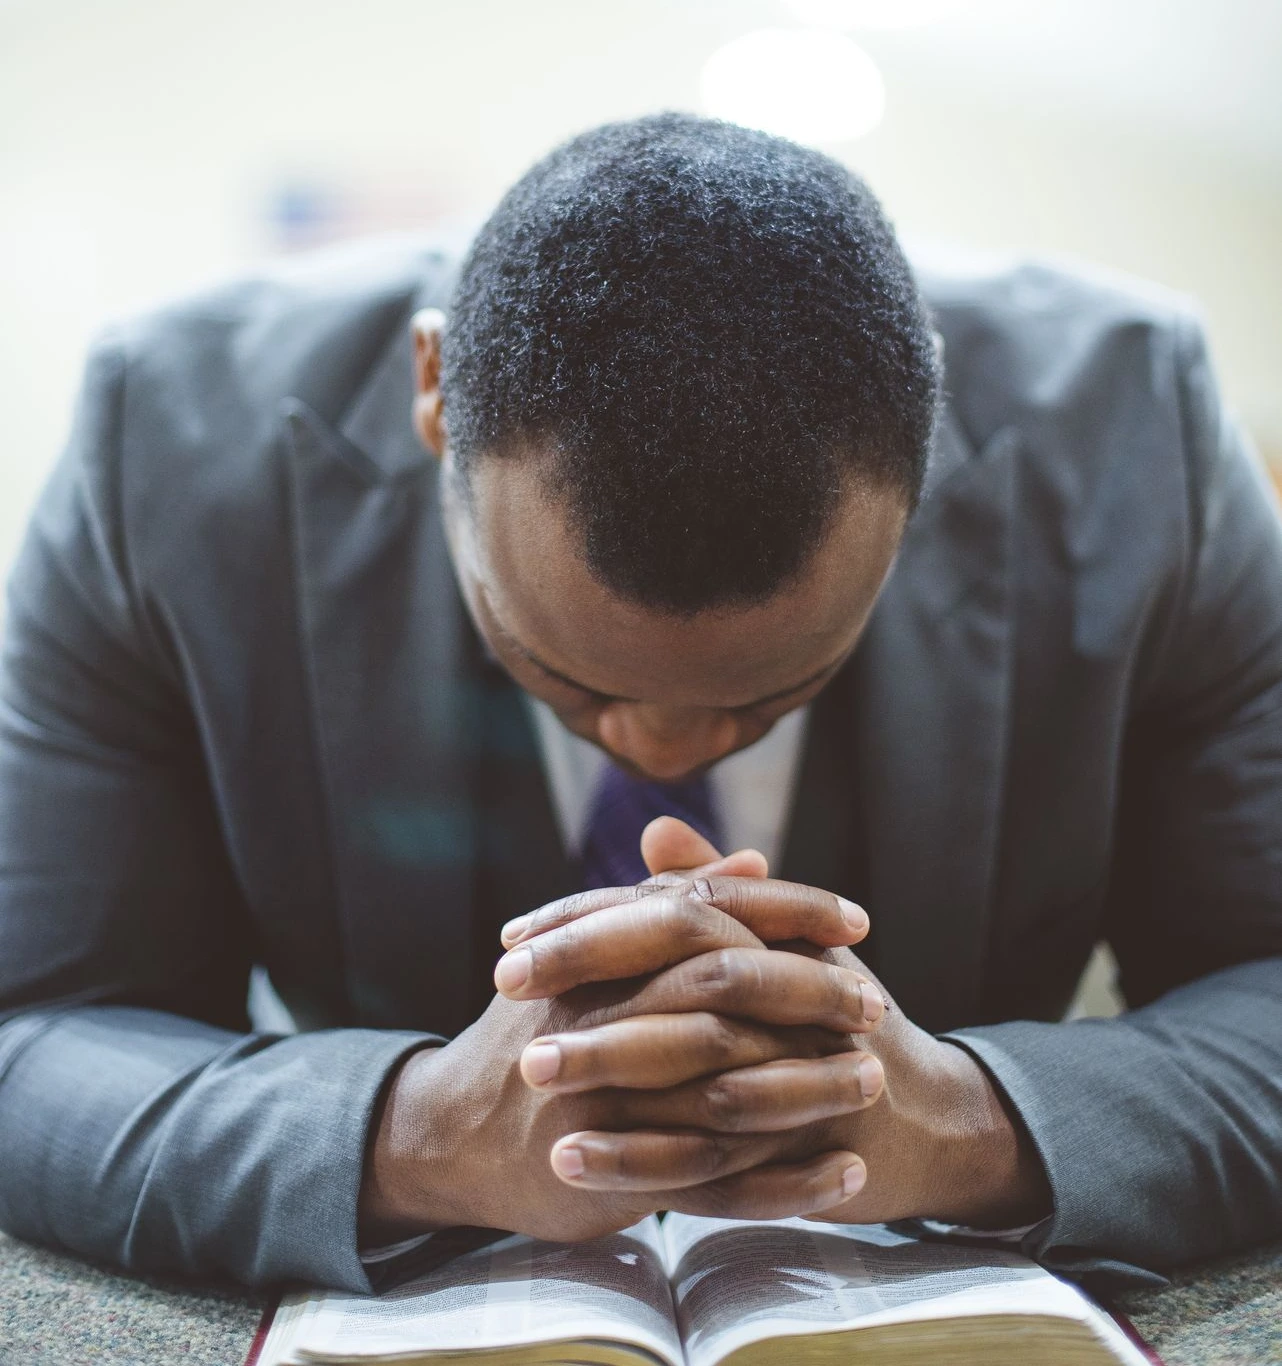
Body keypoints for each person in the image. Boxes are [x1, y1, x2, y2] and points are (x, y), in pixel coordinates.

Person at [0, 113, 1279, 1295]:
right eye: (569, 672)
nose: (663, 749)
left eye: (778, 686)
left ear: (928, 426)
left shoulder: (1141, 430)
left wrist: (972, 1120)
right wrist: (410, 1135)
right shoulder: (160, 441)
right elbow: (36, 1031)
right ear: (435, 391)